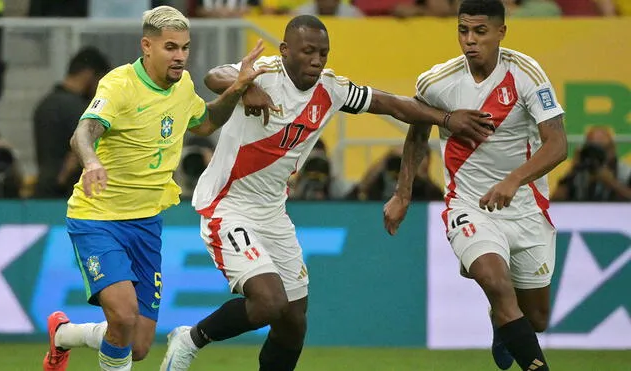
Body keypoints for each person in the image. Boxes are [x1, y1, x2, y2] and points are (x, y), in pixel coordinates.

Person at [159, 14, 495, 371]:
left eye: (323, 53)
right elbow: (215, 76)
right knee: (268, 302)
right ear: (285, 50)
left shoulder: (331, 89)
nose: (317, 60)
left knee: (293, 320)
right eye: (307, 52)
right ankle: (191, 338)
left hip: (273, 212)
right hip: (227, 207)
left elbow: (392, 103)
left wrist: (445, 119)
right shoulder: (266, 74)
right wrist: (245, 86)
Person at [41, 5, 269, 371]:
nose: (180, 56)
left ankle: (64, 335)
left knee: (139, 345)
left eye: (185, 47)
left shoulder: (183, 86)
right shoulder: (119, 85)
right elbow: (83, 132)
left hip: (146, 223)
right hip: (99, 218)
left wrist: (238, 90)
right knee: (124, 316)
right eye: (171, 48)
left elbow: (207, 122)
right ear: (147, 46)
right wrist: (92, 161)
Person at [383, 1, 567, 370]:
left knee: (537, 319)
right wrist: (403, 194)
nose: (470, 41)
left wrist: (513, 181)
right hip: (469, 205)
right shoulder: (436, 82)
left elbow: (558, 145)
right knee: (494, 281)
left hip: (526, 207)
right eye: (463, 31)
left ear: (501, 31)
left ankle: (503, 325)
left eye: (480, 32)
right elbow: (417, 136)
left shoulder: (527, 73)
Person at [33, 47, 111, 199]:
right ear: (89, 75)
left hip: (43, 189)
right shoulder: (81, 109)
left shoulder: (45, 103)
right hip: (68, 192)